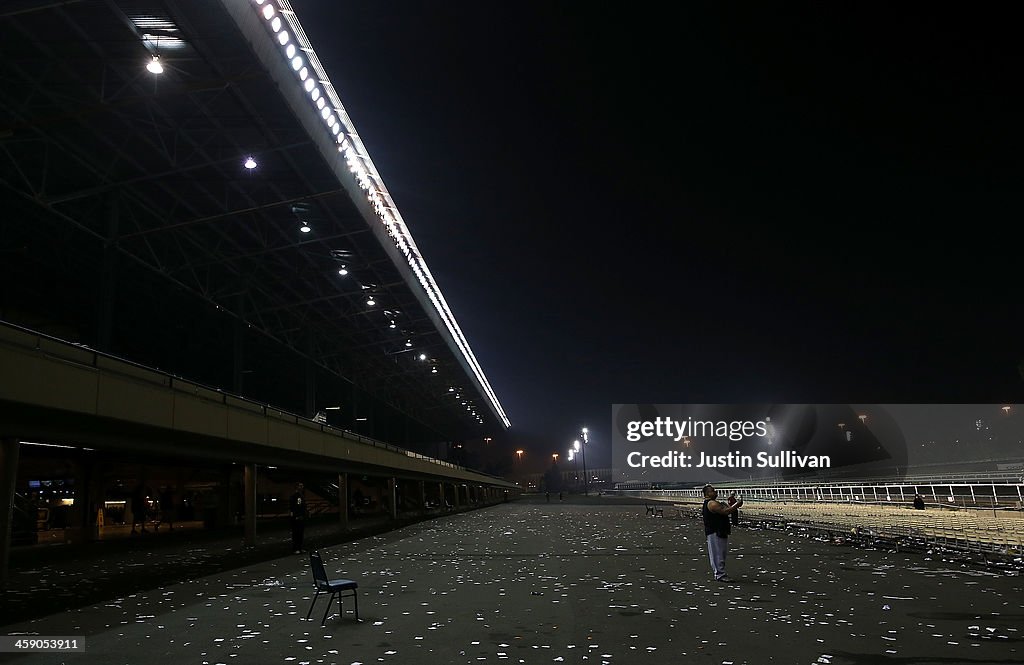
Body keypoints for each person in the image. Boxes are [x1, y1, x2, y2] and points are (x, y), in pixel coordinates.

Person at [702, 483, 742, 582]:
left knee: (720, 553)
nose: (715, 492)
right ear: (707, 494)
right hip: (715, 531)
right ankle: (719, 574)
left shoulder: (713, 502)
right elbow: (726, 511)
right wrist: (737, 504)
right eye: (712, 491)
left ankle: (720, 573)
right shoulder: (711, 503)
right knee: (718, 553)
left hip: (719, 530)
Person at [289, 482, 308, 553]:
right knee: (297, 533)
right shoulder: (297, 496)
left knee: (300, 533)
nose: (302, 487)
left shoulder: (300, 495)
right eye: (300, 486)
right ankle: (296, 548)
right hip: (298, 517)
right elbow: (297, 506)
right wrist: (297, 515)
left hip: (300, 516)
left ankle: (299, 547)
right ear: (296, 487)